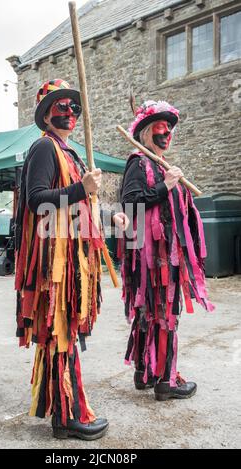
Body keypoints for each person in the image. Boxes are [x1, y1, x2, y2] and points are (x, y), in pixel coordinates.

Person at [15, 79, 127, 439]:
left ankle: (64, 416)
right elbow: (38, 200)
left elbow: (83, 204)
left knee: (61, 337)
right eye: (61, 107)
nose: (69, 113)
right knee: (60, 335)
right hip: (55, 266)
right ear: (46, 114)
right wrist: (83, 188)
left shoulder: (69, 153)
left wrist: (110, 216)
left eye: (74, 107)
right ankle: (68, 416)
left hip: (72, 260)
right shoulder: (45, 148)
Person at [119, 99, 214, 401]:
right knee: (164, 313)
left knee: (154, 313)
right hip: (153, 258)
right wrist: (167, 186)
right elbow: (130, 203)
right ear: (145, 132)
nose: (166, 134)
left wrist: (172, 183)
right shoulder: (138, 162)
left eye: (169, 129)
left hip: (166, 255)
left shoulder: (158, 165)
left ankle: (145, 372)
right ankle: (166, 381)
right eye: (159, 128)